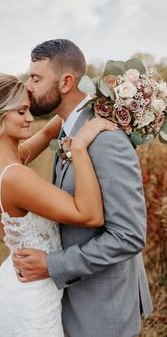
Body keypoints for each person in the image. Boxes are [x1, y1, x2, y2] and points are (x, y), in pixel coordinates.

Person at [0, 72, 117, 337]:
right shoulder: (14, 176)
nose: (30, 118)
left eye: (28, 109)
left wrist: (91, 95)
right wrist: (80, 148)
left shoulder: (1, 159)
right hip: (31, 298)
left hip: (19, 281)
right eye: (21, 112)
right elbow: (90, 214)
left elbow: (51, 129)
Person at [12, 39, 153, 337]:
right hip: (74, 303)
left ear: (65, 83)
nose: (28, 86)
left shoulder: (105, 138)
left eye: (36, 78)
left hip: (104, 312)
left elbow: (128, 235)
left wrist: (53, 264)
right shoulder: (71, 130)